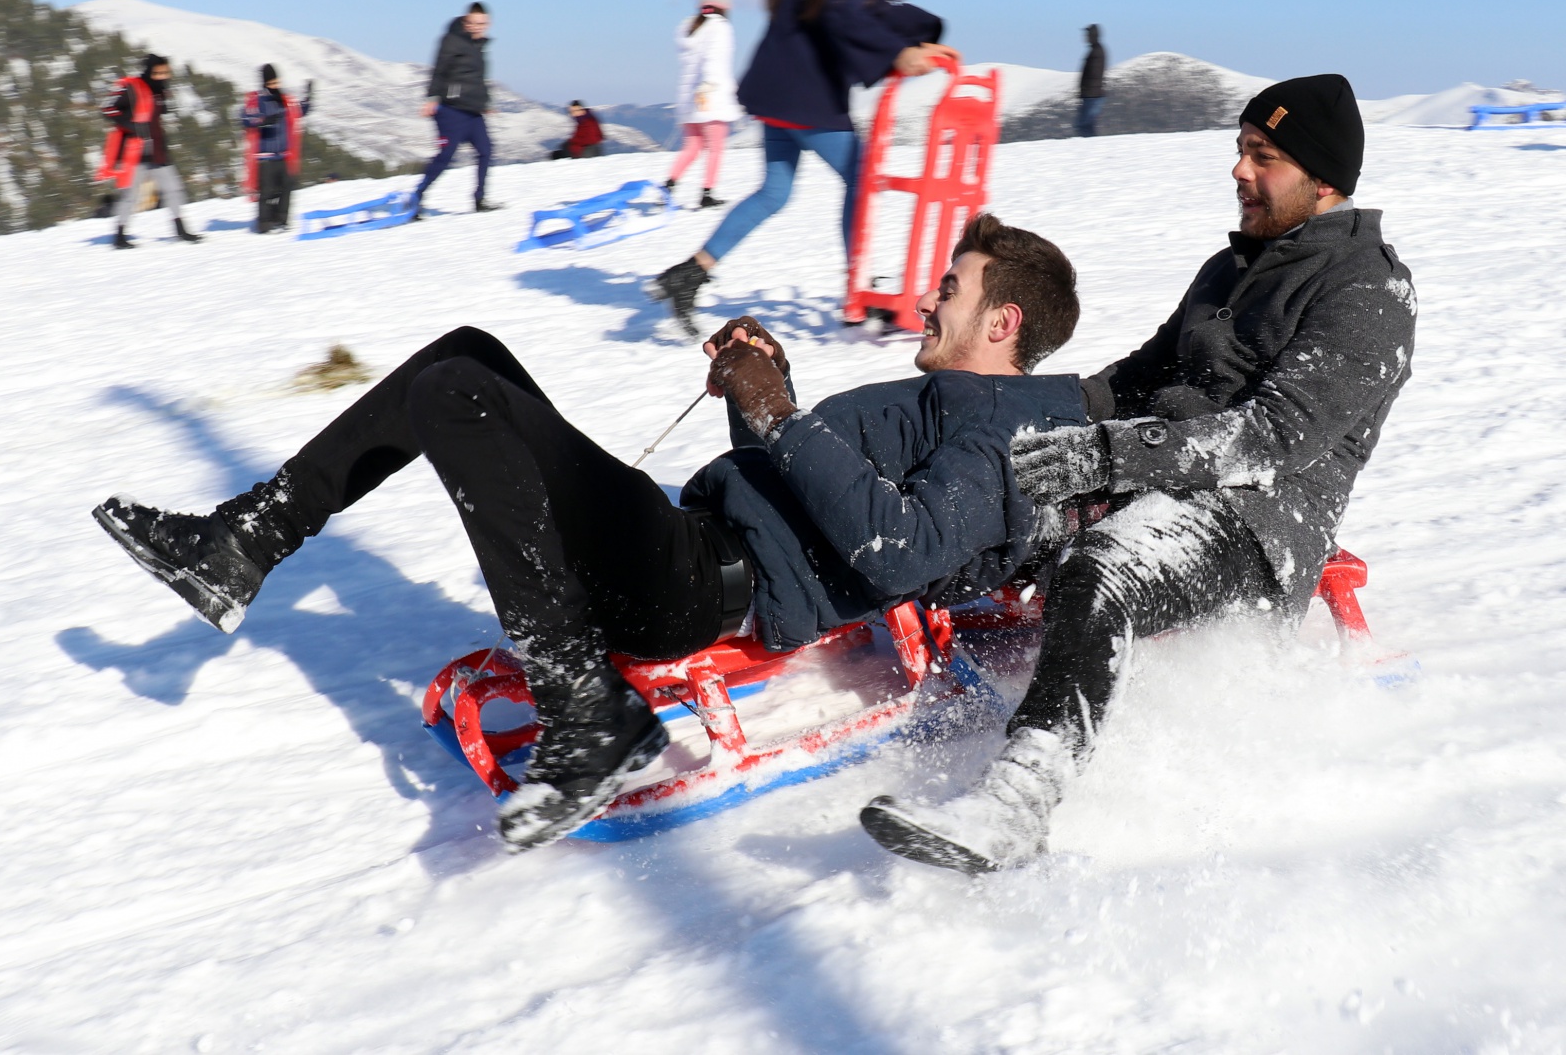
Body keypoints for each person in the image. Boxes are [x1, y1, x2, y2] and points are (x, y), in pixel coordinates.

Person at [91, 214, 1086, 854]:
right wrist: (758, 392)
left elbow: (899, 551)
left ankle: (587, 711)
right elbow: (816, 490)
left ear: (1000, 322)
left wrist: (779, 413)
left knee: (456, 393)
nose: (927, 297)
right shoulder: (947, 402)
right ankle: (243, 540)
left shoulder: (996, 430)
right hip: (690, 540)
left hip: (695, 583)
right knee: (466, 355)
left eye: (948, 289)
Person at [860, 74, 1418, 875]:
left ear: (1321, 177)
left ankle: (1019, 803)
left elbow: (1270, 437)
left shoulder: (1370, 290)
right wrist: (1001, 406)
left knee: (1104, 566)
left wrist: (1108, 455)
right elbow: (1134, 380)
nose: (1238, 170)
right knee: (989, 493)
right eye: (1240, 150)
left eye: (1262, 156)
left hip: (1258, 521)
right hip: (1153, 476)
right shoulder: (1229, 269)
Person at [648, 0, 955, 336]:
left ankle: (688, 274)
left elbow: (863, 6)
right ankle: (858, 295)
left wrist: (924, 28)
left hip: (778, 94)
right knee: (861, 181)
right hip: (806, 98)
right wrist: (896, 53)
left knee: (773, 192)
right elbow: (843, 11)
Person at [97, 55, 203, 249]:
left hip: (158, 151)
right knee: (130, 196)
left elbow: (157, 118)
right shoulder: (131, 87)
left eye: (164, 72)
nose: (162, 76)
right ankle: (119, 236)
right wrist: (130, 126)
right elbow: (107, 109)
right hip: (134, 152)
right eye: (157, 73)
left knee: (173, 189)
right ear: (148, 71)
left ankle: (181, 230)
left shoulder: (160, 91)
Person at [665, 0, 742, 210]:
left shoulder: (691, 27)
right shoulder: (720, 27)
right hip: (710, 96)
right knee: (715, 147)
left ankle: (668, 186)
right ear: (724, 5)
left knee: (693, 147)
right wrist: (709, 86)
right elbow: (714, 60)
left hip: (689, 99)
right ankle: (707, 193)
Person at [416, 2, 496, 215]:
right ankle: (417, 196)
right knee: (446, 156)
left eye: (482, 23)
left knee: (486, 151)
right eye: (474, 23)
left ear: (488, 23)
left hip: (473, 111)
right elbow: (439, 69)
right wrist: (432, 97)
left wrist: (485, 102)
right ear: (465, 21)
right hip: (451, 111)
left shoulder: (478, 45)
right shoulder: (452, 40)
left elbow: (477, 79)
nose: (478, 27)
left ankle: (479, 200)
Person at [241, 65, 314, 233]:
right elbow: (246, 118)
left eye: (277, 82)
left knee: (287, 187)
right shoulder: (256, 101)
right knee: (266, 191)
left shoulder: (284, 100)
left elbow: (298, 111)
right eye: (272, 82)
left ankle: (281, 221)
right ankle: (264, 224)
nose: (275, 85)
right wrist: (263, 120)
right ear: (265, 82)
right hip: (265, 156)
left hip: (283, 154)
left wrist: (308, 99)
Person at [1077, 25, 1107, 138]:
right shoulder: (1095, 50)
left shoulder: (1096, 51)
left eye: (1087, 34)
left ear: (1092, 35)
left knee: (1084, 125)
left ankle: (1091, 150)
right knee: (1085, 125)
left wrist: (1085, 89)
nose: (1085, 37)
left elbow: (1094, 74)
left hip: (1092, 94)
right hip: (1092, 94)